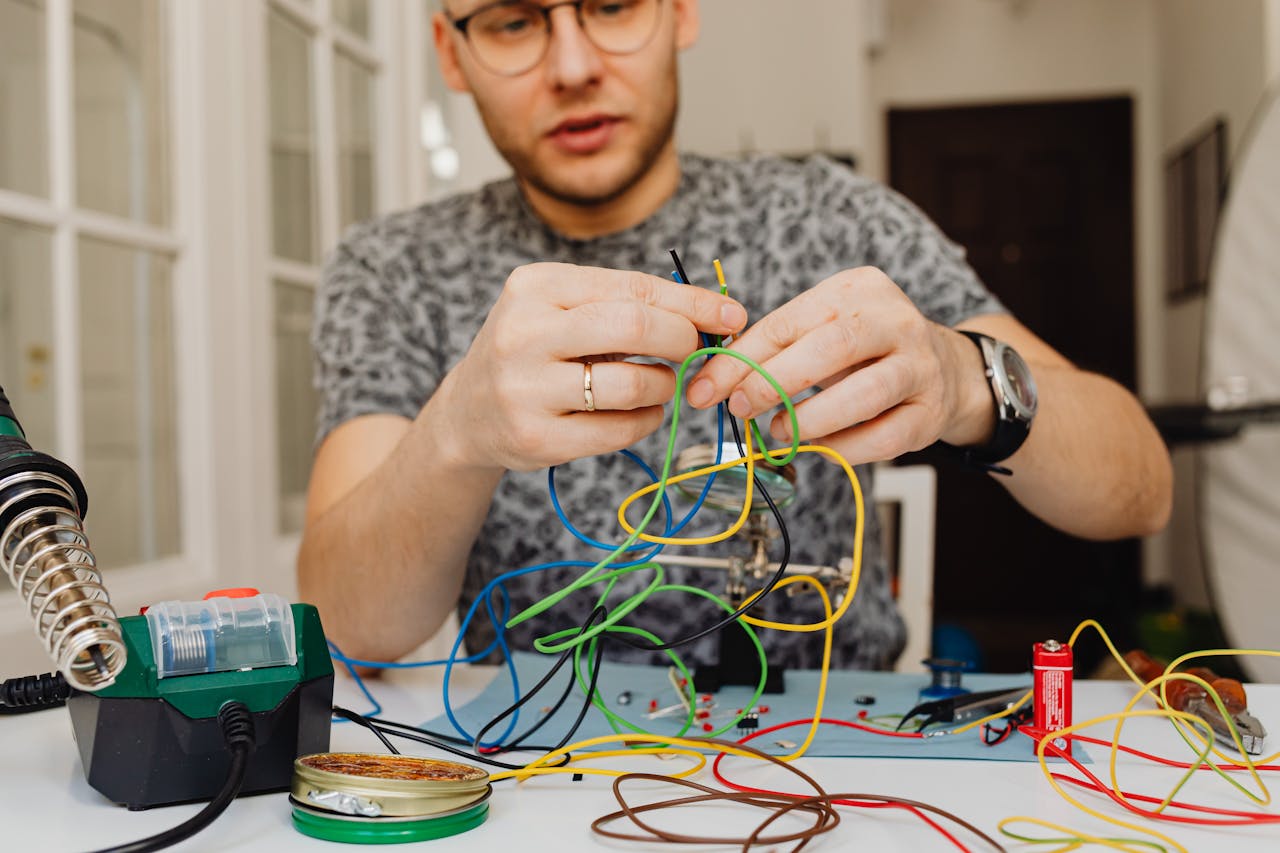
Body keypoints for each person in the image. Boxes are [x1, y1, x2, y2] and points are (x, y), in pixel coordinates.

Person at [297, 0, 1171, 671]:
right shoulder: (393, 268)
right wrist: (455, 434)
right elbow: (348, 624)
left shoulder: (832, 217)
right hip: (538, 771)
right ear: (451, 52)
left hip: (830, 768)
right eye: (514, 21)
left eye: (611, 5)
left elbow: (1141, 489)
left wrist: (965, 378)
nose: (571, 65)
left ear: (679, 10)